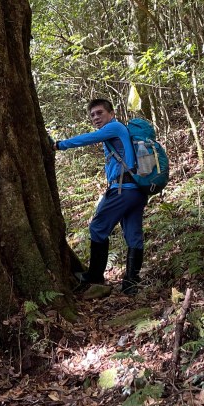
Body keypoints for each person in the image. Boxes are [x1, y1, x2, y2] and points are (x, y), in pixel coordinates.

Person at [54, 98, 147, 296]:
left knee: (97, 228)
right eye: (92, 115)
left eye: (100, 113)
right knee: (133, 235)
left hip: (123, 189)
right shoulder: (117, 131)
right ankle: (130, 283)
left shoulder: (115, 127)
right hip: (136, 190)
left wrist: (59, 145)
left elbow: (88, 138)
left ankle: (95, 275)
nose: (95, 117)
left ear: (111, 114)